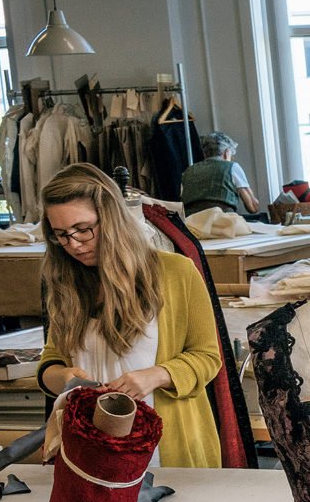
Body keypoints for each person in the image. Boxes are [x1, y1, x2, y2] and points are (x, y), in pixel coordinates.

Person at [36, 163, 223, 467]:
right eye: (61, 235)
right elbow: (51, 359)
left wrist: (156, 376)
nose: (73, 244)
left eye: (83, 230)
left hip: (167, 446)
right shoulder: (65, 283)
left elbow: (207, 356)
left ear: (111, 219)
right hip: (92, 446)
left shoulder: (175, 273)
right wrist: (63, 378)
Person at [180, 131, 265, 217]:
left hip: (191, 225)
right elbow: (253, 207)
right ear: (227, 152)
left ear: (204, 153)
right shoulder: (232, 167)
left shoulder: (188, 171)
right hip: (222, 224)